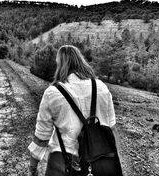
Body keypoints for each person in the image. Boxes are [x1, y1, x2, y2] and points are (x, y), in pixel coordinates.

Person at [28, 45, 119, 176]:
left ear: (60, 64)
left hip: (62, 162)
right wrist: (115, 160)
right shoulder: (101, 87)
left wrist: (32, 168)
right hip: (100, 159)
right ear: (80, 61)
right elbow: (112, 128)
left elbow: (42, 137)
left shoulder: (53, 92)